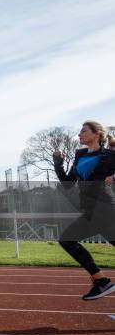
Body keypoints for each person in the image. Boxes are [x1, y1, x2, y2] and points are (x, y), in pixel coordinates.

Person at [54, 121, 115, 300]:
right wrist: (58, 163)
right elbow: (68, 183)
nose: (80, 134)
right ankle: (101, 281)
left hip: (104, 207)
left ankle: (101, 281)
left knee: (67, 240)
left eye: (84, 131)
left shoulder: (110, 155)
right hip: (91, 209)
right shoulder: (80, 155)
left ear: (96, 134)